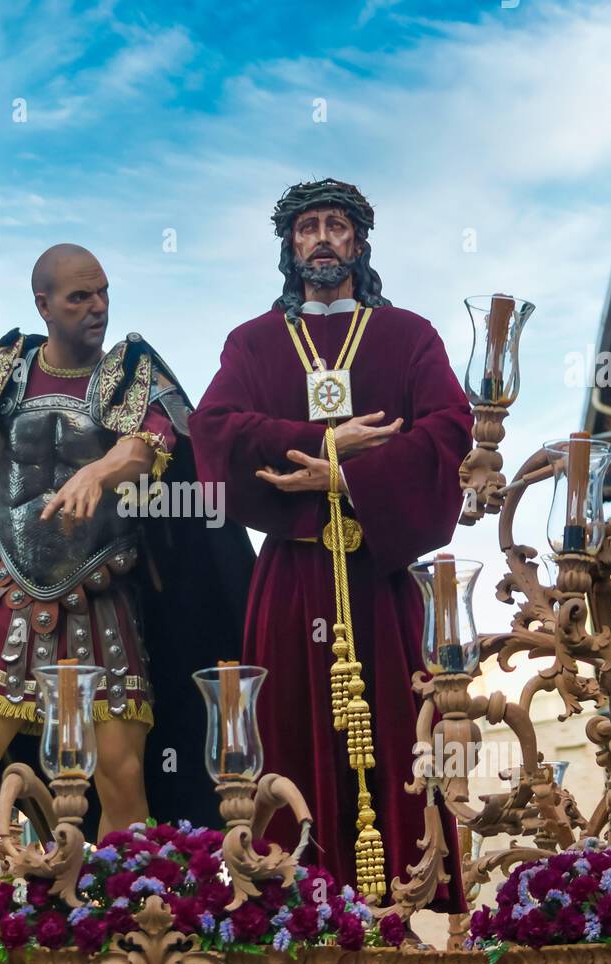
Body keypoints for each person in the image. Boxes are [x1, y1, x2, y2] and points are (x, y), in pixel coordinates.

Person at [0, 244, 251, 911]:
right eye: (79, 297)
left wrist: (98, 472)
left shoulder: (132, 370)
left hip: (102, 600)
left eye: (102, 292)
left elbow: (149, 445)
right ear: (42, 303)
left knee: (123, 775)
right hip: (12, 601)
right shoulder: (7, 368)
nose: (97, 307)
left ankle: (130, 922)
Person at [190, 180, 474, 918]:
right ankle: (297, 910)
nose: (322, 238)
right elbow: (213, 430)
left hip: (378, 578)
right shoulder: (252, 342)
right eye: (308, 227)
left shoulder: (409, 336)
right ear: (289, 246)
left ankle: (402, 909)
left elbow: (448, 427)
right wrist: (318, 442)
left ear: (359, 243)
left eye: (337, 227)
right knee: (288, 733)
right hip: (291, 580)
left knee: (402, 735)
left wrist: (344, 475)